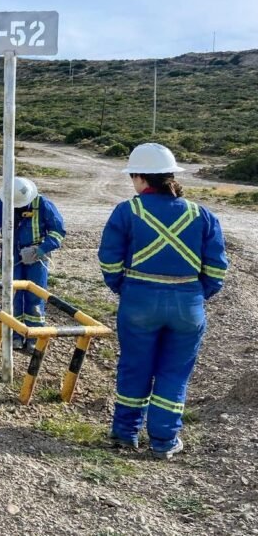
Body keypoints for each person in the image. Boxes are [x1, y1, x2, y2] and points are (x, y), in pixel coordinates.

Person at [98, 143, 228, 459]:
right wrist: (197, 295)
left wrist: (125, 289)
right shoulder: (202, 215)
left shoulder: (127, 211)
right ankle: (164, 442)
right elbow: (215, 269)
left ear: (141, 178)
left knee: (135, 368)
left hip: (139, 300)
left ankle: (125, 435)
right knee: (174, 373)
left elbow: (110, 262)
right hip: (188, 305)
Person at [0, 177, 66, 351]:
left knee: (35, 296)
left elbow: (58, 231)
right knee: (12, 294)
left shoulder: (43, 204)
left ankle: (34, 336)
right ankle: (15, 334)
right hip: (11, 254)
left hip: (37, 257)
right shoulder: (2, 203)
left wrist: (41, 249)